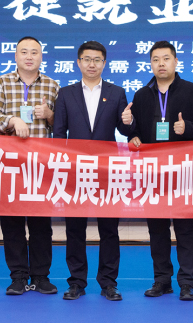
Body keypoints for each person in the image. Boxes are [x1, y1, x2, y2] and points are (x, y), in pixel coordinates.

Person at [127, 40, 193, 301]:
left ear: (176, 61)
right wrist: (131, 133)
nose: (161, 64)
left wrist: (188, 128)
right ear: (150, 64)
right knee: (157, 230)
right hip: (153, 173)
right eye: (155, 59)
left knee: (185, 228)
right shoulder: (142, 95)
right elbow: (135, 132)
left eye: (166, 58)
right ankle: (162, 280)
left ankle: (187, 282)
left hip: (182, 171)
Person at [53, 41, 131, 302]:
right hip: (76, 171)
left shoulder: (116, 92)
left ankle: (108, 282)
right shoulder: (66, 93)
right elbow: (59, 134)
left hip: (107, 170)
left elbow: (125, 130)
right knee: (75, 229)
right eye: (87, 59)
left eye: (97, 60)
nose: (92, 64)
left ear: (104, 63)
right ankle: (76, 282)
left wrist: (129, 122)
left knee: (109, 229)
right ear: (78, 62)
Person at [0, 36, 60, 296]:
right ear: (15, 56)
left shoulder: (52, 85)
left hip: (41, 165)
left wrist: (49, 115)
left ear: (41, 57)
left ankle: (41, 276)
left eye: (34, 52)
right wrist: (12, 120)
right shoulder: (1, 82)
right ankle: (18, 276)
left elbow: (61, 123)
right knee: (12, 223)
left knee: (41, 225)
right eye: (24, 52)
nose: (29, 57)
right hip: (10, 164)